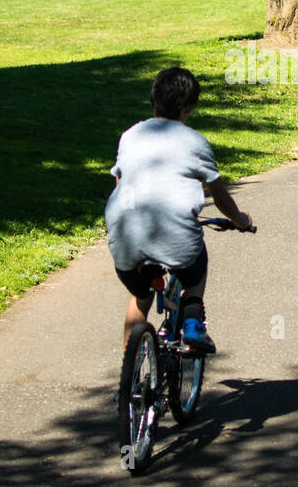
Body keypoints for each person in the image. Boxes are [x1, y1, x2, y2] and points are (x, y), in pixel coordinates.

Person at [105, 67, 252, 354]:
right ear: (189, 108)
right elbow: (220, 198)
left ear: (152, 100)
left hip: (124, 235)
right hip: (176, 238)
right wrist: (241, 221)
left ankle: (130, 366)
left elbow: (120, 182)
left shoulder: (131, 135)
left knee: (140, 295)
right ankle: (194, 324)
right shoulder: (195, 142)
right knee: (196, 270)